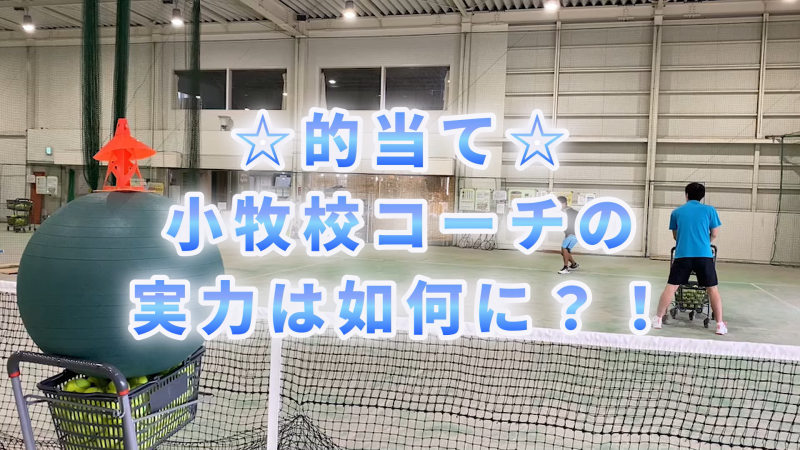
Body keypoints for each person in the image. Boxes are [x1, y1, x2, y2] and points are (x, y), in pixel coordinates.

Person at [652, 182, 726, 335]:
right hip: (704, 256)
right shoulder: (710, 210)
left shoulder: (676, 212)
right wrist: (705, 243)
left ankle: (658, 319)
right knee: (712, 289)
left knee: (671, 287)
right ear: (702, 196)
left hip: (682, 256)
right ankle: (720, 325)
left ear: (686, 195)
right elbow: (715, 233)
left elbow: (675, 236)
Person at [557, 196, 580, 274]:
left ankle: (565, 268)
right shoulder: (564, 211)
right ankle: (574, 264)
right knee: (563, 252)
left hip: (573, 234)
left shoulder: (569, 212)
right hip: (569, 234)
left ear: (564, 203)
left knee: (565, 248)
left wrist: (571, 232)